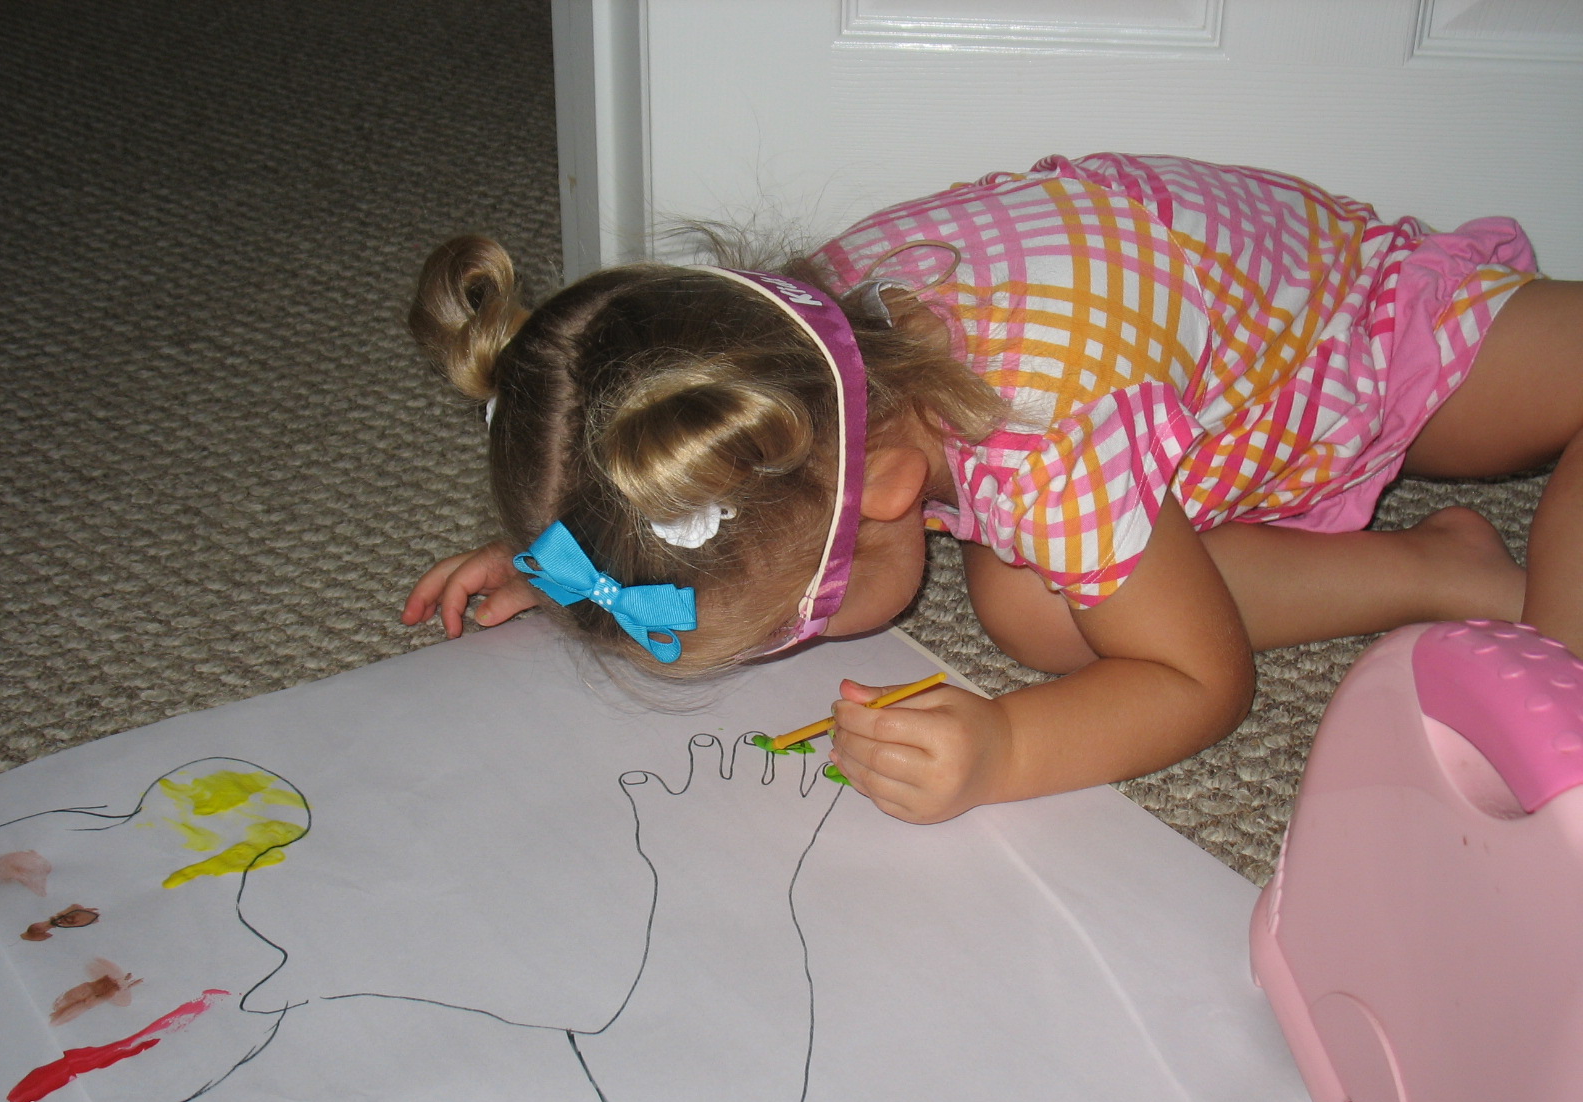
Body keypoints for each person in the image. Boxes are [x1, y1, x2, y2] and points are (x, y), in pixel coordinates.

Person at [401, 153, 1582, 825]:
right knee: (1030, 604)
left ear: (890, 492)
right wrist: (570, 561)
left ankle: (1546, 638)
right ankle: (1440, 571)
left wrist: (1004, 751)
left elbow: (1199, 684)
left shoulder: (1042, 441)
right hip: (1197, 400)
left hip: (1365, 336)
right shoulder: (775, 365)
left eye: (780, 631)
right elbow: (671, 480)